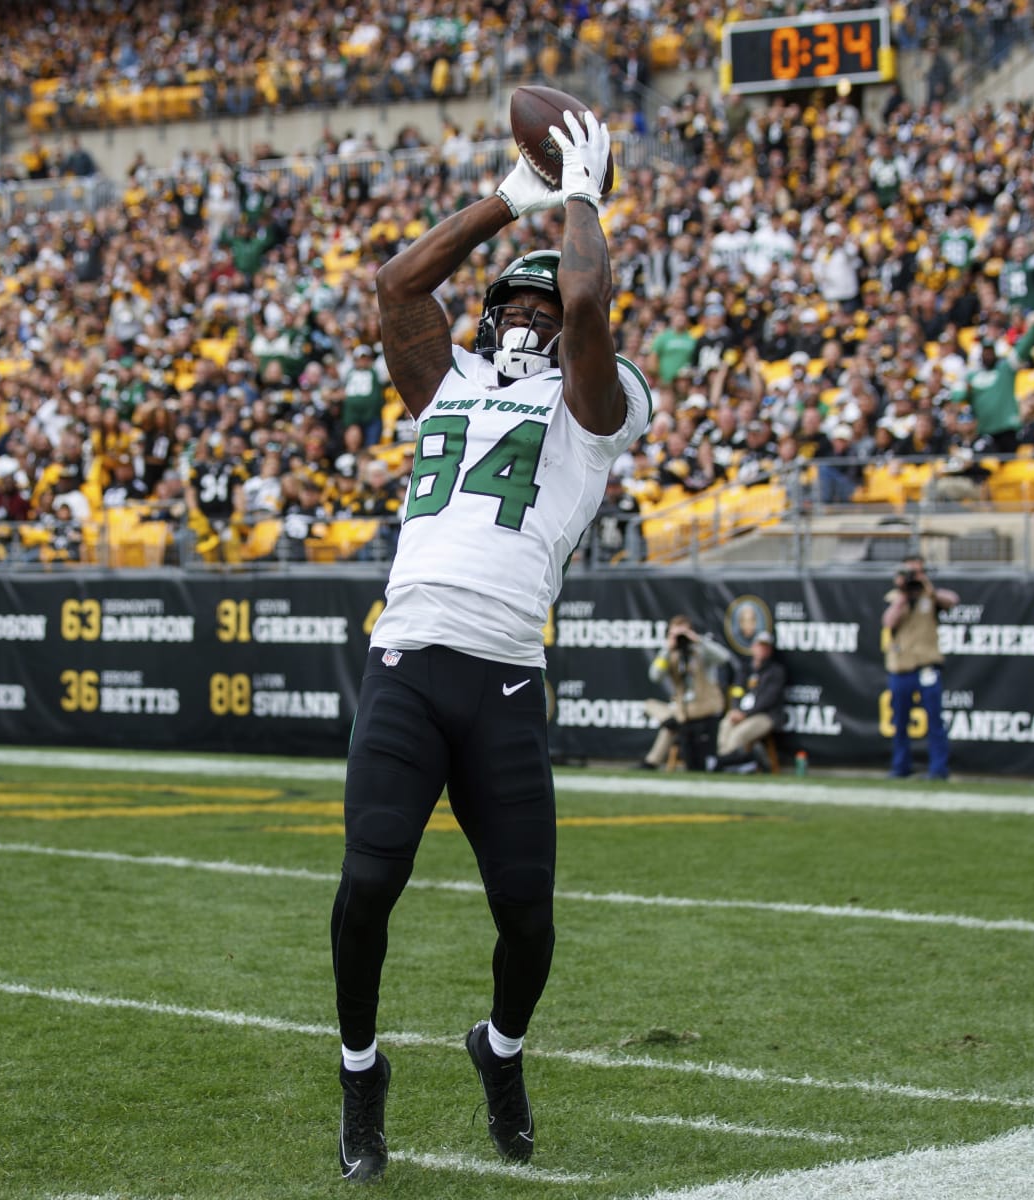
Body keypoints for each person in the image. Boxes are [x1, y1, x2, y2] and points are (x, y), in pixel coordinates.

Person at [329, 109, 649, 1182]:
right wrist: (509, 201)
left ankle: (500, 1050)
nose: (525, 314)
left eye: (541, 303)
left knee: (527, 916)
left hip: (507, 673)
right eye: (510, 298)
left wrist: (583, 201)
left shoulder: (600, 399)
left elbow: (595, 304)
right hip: (411, 658)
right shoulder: (446, 381)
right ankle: (361, 1074)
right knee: (369, 883)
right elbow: (393, 286)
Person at [881, 554, 958, 780]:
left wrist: (927, 587)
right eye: (909, 572)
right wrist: (903, 595)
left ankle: (938, 769)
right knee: (900, 721)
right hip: (901, 667)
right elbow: (888, 622)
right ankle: (901, 766)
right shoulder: (896, 597)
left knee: (935, 720)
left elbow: (952, 600)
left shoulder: (930, 595)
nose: (913, 577)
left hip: (927, 665)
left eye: (917, 572)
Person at [639, 613, 733, 771]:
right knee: (650, 705)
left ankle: (651, 762)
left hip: (704, 707)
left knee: (672, 727)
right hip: (683, 710)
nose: (680, 638)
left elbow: (724, 657)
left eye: (683, 633)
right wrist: (667, 650)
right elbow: (655, 676)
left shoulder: (701, 650)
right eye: (675, 633)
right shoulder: (670, 654)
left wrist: (698, 640)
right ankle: (653, 758)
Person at [711, 629, 786, 773]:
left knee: (738, 734)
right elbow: (737, 691)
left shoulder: (776, 671)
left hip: (765, 715)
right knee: (726, 724)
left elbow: (767, 700)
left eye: (766, 647)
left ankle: (723, 764)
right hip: (742, 713)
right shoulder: (745, 669)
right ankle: (732, 762)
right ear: (753, 647)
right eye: (759, 645)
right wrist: (735, 709)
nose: (762, 650)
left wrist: (745, 714)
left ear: (770, 650)